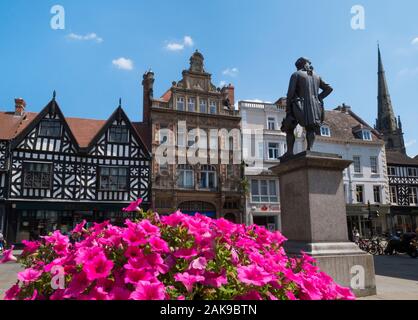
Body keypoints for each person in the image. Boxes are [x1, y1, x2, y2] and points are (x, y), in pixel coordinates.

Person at [281, 57, 333, 157]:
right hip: (315, 106)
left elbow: (290, 93)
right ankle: (310, 148)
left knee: (289, 128)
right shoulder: (317, 76)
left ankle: (290, 152)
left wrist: (288, 109)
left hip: (299, 105)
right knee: (311, 129)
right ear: (306, 64)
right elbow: (329, 89)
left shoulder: (296, 75)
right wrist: (318, 98)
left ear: (299, 66)